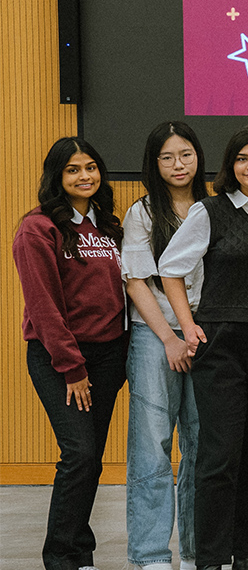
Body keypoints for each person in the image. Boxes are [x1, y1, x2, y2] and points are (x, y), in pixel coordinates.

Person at [158, 125, 248, 570]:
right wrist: (188, 327)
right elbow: (171, 269)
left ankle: (244, 556)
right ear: (231, 166)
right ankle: (210, 559)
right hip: (220, 345)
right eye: (242, 158)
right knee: (219, 456)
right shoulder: (211, 211)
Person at [14, 137, 128, 570]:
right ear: (57, 177)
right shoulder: (38, 227)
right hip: (59, 359)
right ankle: (60, 556)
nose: (85, 176)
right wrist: (71, 366)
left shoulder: (106, 225)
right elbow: (43, 306)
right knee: (79, 454)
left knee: (91, 459)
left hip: (108, 357)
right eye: (74, 170)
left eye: (91, 167)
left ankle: (80, 552)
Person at [122, 122, 211, 570]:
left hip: (205, 336)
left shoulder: (214, 208)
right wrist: (170, 339)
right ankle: (151, 554)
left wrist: (193, 334)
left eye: (186, 155)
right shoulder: (142, 213)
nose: (179, 165)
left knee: (202, 444)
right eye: (167, 157)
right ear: (153, 165)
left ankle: (199, 552)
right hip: (154, 335)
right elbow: (136, 282)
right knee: (152, 443)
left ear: (199, 157)